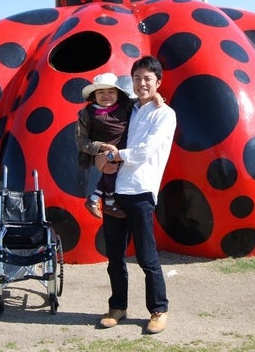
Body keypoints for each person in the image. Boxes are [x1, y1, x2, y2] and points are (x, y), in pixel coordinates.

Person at [96, 56, 176, 335]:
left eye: (148, 79)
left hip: (141, 191)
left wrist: (117, 154)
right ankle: (118, 307)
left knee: (146, 256)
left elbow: (145, 150)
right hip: (115, 190)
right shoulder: (132, 107)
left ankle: (158, 310)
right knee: (115, 255)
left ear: (158, 82)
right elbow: (104, 102)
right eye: (137, 78)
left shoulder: (165, 114)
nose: (142, 83)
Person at [75, 72, 131, 219]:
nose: (106, 95)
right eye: (101, 92)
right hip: (106, 154)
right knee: (110, 171)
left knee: (111, 174)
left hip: (125, 153)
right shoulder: (87, 113)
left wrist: (157, 97)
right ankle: (108, 201)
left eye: (111, 91)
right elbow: (81, 141)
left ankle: (96, 198)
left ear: (118, 94)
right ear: (94, 95)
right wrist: (103, 147)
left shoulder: (126, 106)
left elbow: (144, 102)